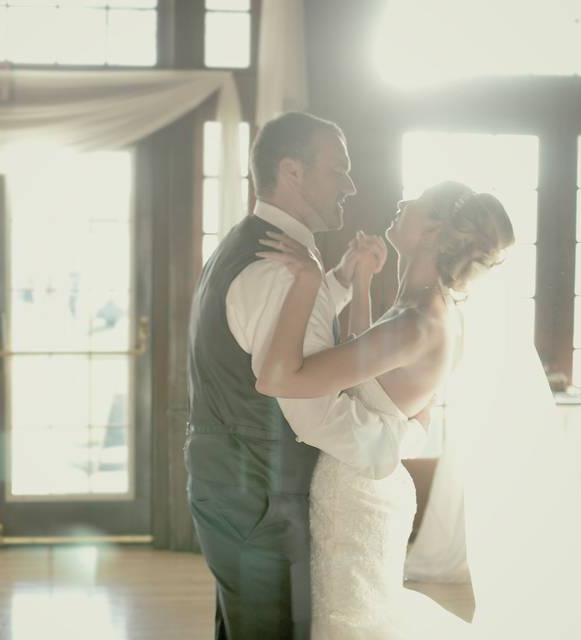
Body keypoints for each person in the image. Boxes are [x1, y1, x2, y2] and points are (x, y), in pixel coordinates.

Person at [256, 181, 581, 639]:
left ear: (431, 229)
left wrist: (311, 281)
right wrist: (363, 281)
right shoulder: (425, 306)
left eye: (416, 201)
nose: (401, 203)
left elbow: (280, 379)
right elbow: (368, 373)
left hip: (355, 495)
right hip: (365, 484)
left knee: (349, 625)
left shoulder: (417, 321)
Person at [184, 112, 431, 639]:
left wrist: (340, 279)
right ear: (292, 172)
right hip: (260, 493)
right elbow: (313, 411)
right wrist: (391, 445)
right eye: (338, 169)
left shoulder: (252, 245)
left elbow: (289, 336)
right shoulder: (279, 269)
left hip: (232, 483)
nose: (351, 185)